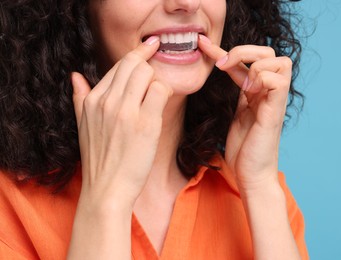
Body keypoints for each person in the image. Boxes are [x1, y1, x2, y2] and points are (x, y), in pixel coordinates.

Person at [0, 0, 309, 259]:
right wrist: (107, 202)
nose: (187, 3)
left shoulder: (263, 196)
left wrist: (259, 187)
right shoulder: (8, 205)